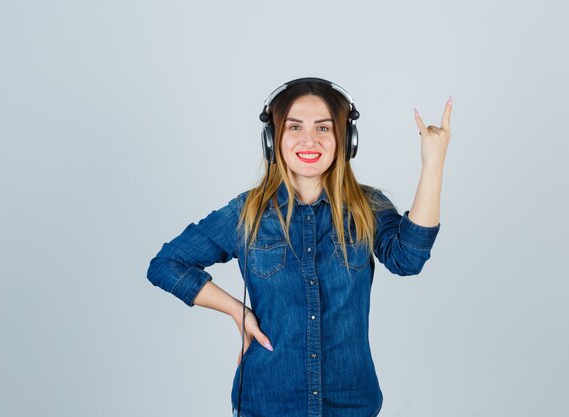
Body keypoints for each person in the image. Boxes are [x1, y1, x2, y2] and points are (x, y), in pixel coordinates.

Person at [146, 77, 452, 417]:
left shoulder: (368, 206)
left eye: (324, 128)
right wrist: (236, 309)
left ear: (345, 139)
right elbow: (166, 264)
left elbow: (408, 258)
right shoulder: (246, 213)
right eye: (295, 127)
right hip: (266, 404)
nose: (310, 140)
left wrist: (432, 166)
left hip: (350, 405)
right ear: (272, 139)